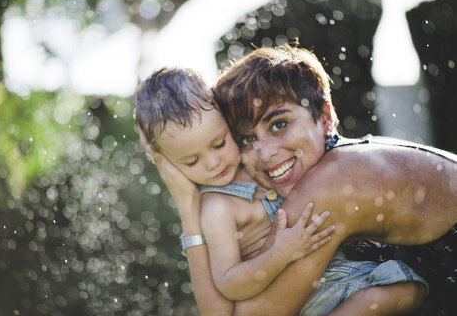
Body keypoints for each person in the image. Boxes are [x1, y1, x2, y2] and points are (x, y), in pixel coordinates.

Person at [135, 67, 429, 315]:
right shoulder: (217, 207)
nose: (213, 163)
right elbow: (228, 282)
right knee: (384, 296)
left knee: (410, 288)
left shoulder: (253, 166)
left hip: (337, 275)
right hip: (305, 295)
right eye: (191, 161)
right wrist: (282, 253)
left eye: (219, 143)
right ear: (169, 165)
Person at [212, 44, 457, 315]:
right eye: (247, 139)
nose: (266, 153)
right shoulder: (344, 161)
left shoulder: (329, 183)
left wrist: (189, 203)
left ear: (325, 117)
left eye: (279, 124)